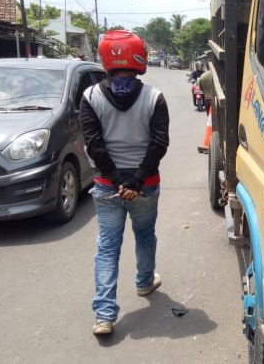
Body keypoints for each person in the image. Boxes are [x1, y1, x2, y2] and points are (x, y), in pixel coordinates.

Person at [79, 30, 170, 335]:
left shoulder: (90, 98)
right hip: (145, 184)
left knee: (107, 247)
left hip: (107, 185)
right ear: (139, 58)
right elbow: (159, 144)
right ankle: (145, 282)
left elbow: (94, 145)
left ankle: (104, 315)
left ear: (106, 59)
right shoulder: (154, 98)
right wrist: (134, 180)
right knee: (144, 234)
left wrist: (118, 180)